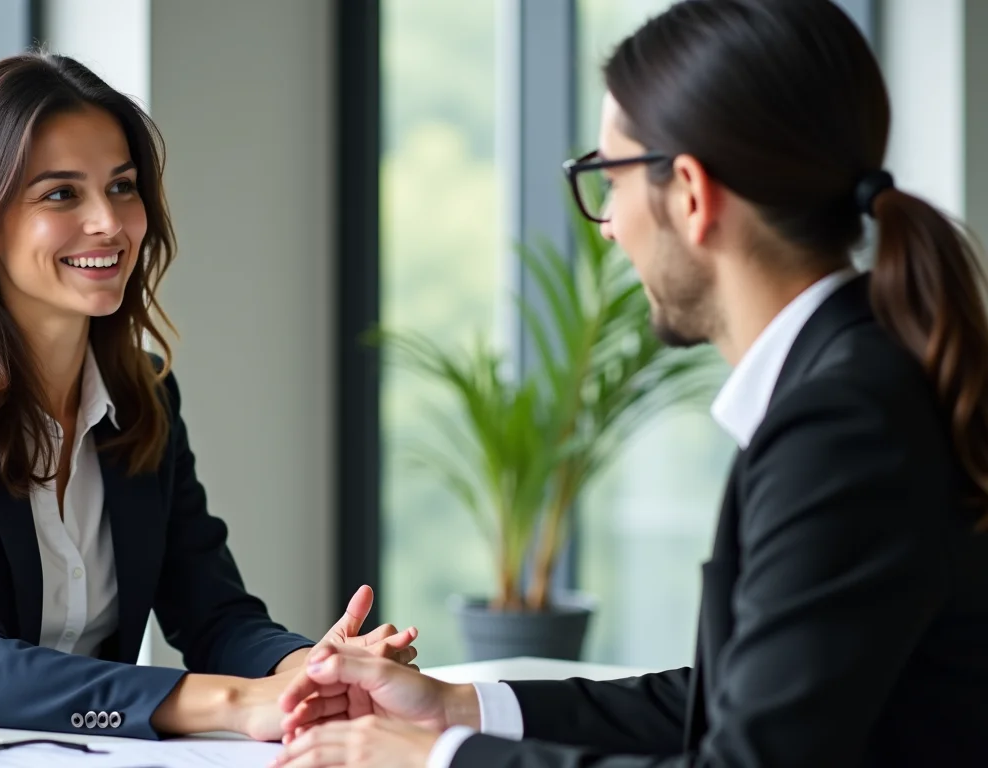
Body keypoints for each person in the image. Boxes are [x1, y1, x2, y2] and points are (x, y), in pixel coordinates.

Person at [273, 1, 988, 766]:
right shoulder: (858, 378)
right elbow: (735, 700)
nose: (607, 226)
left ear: (688, 192)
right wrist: (457, 708)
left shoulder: (841, 422)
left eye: (607, 178)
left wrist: (435, 760)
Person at [0, 51, 417, 740]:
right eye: (61, 194)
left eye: (122, 187)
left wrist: (313, 667)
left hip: (71, 754)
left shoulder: (144, 394)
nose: (109, 222)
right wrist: (234, 704)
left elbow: (214, 615)